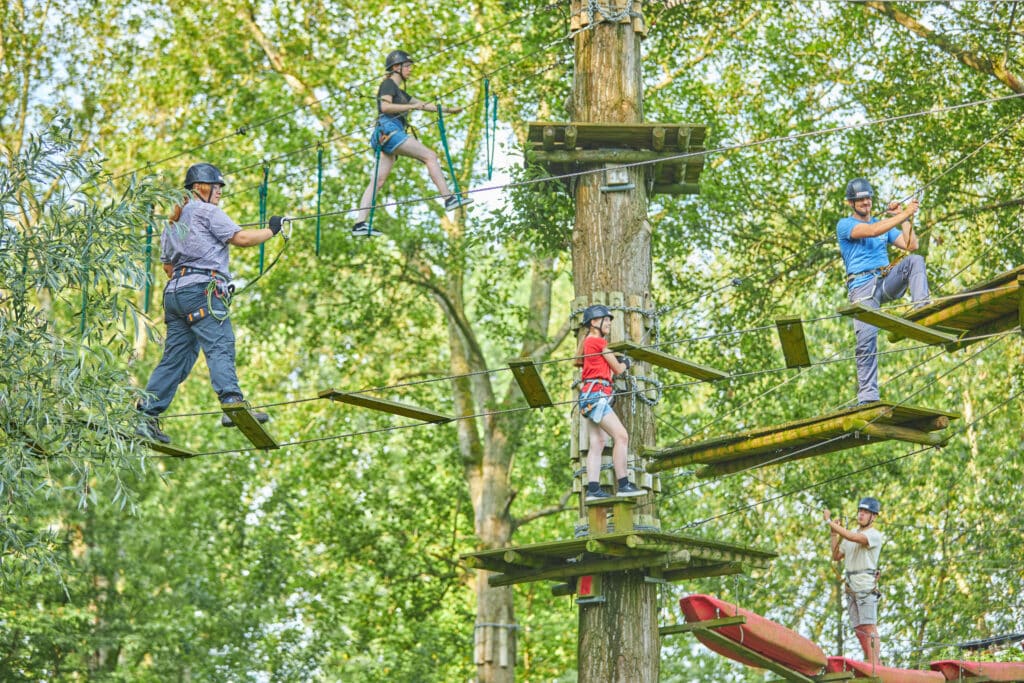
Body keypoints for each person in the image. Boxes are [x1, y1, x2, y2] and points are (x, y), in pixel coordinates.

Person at [135, 162, 286, 444]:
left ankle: (145, 416)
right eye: (216, 187)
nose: (219, 192)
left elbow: (168, 267)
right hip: (202, 292)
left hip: (175, 295)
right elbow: (240, 238)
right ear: (200, 188)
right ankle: (231, 402)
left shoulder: (172, 222)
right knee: (220, 343)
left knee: (176, 360)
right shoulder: (206, 211)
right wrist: (271, 231)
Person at [351, 49, 472, 237]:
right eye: (407, 66)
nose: (410, 69)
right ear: (396, 67)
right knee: (430, 156)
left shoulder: (400, 92)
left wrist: (448, 110)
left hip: (387, 134)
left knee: (378, 181)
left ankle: (359, 224)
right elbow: (385, 106)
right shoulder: (388, 84)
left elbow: (424, 105)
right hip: (390, 129)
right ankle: (448, 198)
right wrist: (410, 107)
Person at [837, 178, 929, 405]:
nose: (866, 202)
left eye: (868, 198)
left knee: (915, 260)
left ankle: (922, 308)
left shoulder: (882, 224)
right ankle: (868, 397)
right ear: (851, 203)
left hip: (885, 280)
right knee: (866, 341)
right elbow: (872, 230)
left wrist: (904, 219)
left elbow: (911, 244)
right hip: (862, 288)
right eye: (860, 200)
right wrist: (903, 214)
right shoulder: (845, 225)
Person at [575, 305, 643, 502]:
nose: (610, 323)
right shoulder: (598, 342)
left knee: (598, 443)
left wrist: (615, 363)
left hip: (588, 396)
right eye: (606, 319)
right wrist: (627, 363)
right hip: (596, 396)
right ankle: (623, 484)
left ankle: (593, 489)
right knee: (621, 436)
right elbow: (619, 369)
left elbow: (605, 369)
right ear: (594, 322)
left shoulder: (589, 344)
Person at [824, 497, 884, 666]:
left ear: (874, 517)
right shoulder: (851, 537)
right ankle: (870, 660)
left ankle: (875, 665)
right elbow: (836, 555)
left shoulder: (873, 535)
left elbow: (854, 537)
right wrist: (833, 533)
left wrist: (830, 521)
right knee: (859, 629)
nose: (861, 515)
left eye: (865, 512)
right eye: (860, 511)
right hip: (851, 587)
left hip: (865, 586)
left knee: (868, 627)